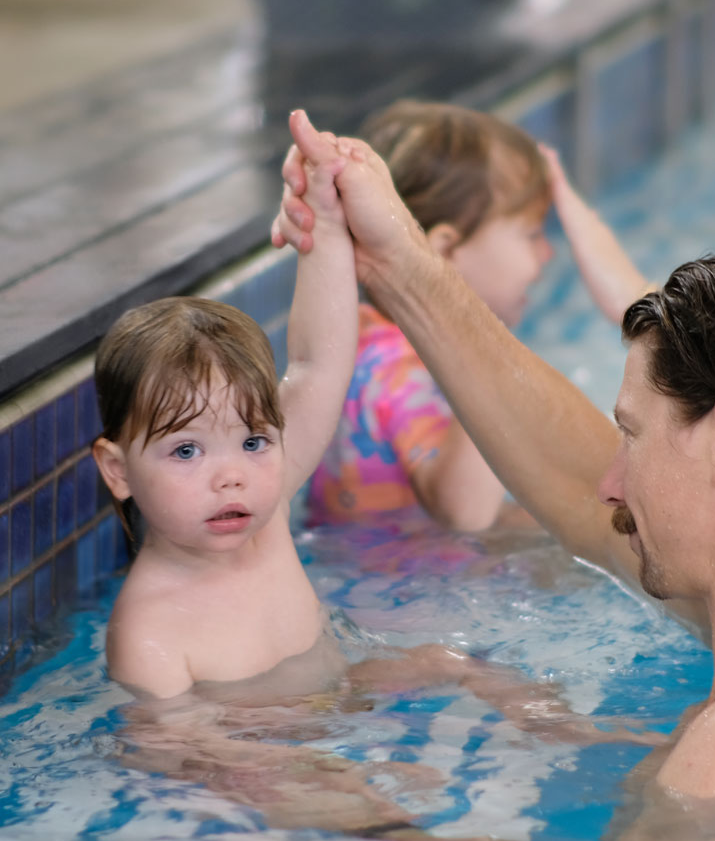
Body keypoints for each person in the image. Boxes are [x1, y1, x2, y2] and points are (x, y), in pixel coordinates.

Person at [273, 126, 715, 802]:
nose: (610, 483)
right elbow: (578, 484)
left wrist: (353, 810)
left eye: (631, 435)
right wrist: (399, 261)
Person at [93, 110, 652, 829]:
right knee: (382, 820)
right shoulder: (150, 632)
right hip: (266, 755)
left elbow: (320, 359)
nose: (229, 475)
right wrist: (349, 772)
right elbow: (190, 752)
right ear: (117, 470)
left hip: (344, 688)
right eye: (185, 451)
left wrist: (324, 218)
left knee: (459, 660)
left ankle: (586, 735)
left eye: (253, 442)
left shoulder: (259, 510)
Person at [273, 99, 647, 532]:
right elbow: (465, 512)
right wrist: (491, 361)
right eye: (530, 234)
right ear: (447, 250)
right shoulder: (393, 365)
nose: (547, 253)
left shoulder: (368, 338)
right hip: (407, 580)